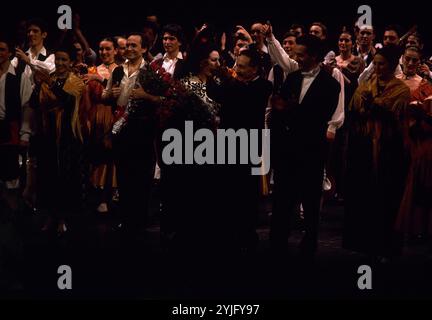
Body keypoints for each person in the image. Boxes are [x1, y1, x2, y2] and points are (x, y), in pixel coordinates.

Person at [269, 35, 340, 256]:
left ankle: (309, 243)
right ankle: (277, 243)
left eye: (301, 54)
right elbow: (278, 109)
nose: (296, 58)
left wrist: (290, 109)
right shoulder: (292, 78)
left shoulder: (331, 85)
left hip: (311, 151)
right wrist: (286, 111)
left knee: (310, 201)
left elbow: (318, 117)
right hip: (288, 151)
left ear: (315, 56)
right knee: (282, 199)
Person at [343, 45, 411, 261]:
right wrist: (367, 108)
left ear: (391, 65)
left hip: (389, 150)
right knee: (366, 196)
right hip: (365, 146)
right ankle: (366, 243)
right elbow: (355, 110)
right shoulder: (366, 85)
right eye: (377, 63)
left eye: (382, 64)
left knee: (387, 197)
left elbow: (397, 117)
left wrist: (378, 107)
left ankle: (387, 247)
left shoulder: (401, 89)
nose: (378, 68)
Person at [207, 49, 272, 251]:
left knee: (247, 192)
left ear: (254, 69)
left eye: (242, 67)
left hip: (248, 145)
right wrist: (211, 75)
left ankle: (246, 233)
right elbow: (213, 93)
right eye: (237, 65)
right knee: (226, 189)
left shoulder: (263, 86)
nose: (237, 69)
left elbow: (244, 96)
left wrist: (228, 79)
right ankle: (226, 230)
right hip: (226, 143)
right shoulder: (231, 84)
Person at [103, 33, 157, 240]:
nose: (130, 49)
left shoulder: (152, 71)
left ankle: (139, 222)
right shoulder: (117, 71)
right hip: (121, 130)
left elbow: (164, 100)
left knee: (141, 178)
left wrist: (146, 96)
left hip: (142, 131)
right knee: (124, 177)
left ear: (144, 49)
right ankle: (126, 220)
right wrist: (110, 95)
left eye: (135, 46)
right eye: (128, 46)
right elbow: (106, 96)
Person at [26, 43, 85, 234]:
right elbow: (34, 103)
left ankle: (63, 218)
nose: (59, 63)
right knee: (48, 177)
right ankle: (51, 216)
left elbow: (68, 102)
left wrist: (49, 83)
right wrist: (38, 84)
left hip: (67, 138)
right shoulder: (47, 78)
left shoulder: (76, 81)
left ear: (70, 62)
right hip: (48, 136)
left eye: (64, 60)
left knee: (64, 179)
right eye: (57, 59)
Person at [395, 46, 432, 245]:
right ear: (402, 59)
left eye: (414, 61)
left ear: (420, 63)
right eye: (407, 59)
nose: (410, 64)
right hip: (394, 137)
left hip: (415, 138)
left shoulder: (426, 85)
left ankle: (414, 227)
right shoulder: (394, 82)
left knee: (415, 183)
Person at [81, 37, 118, 213]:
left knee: (110, 158)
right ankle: (95, 194)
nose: (104, 52)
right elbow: (86, 97)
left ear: (115, 51)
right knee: (95, 157)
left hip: (113, 116)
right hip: (96, 116)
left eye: (108, 49)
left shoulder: (119, 70)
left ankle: (108, 195)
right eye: (101, 49)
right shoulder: (93, 69)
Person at [0, 38, 32, 210]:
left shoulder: (19, 76)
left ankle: (13, 211)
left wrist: (25, 133)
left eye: (2, 49)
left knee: (11, 170)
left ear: (9, 53)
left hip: (9, 127)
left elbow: (27, 106)